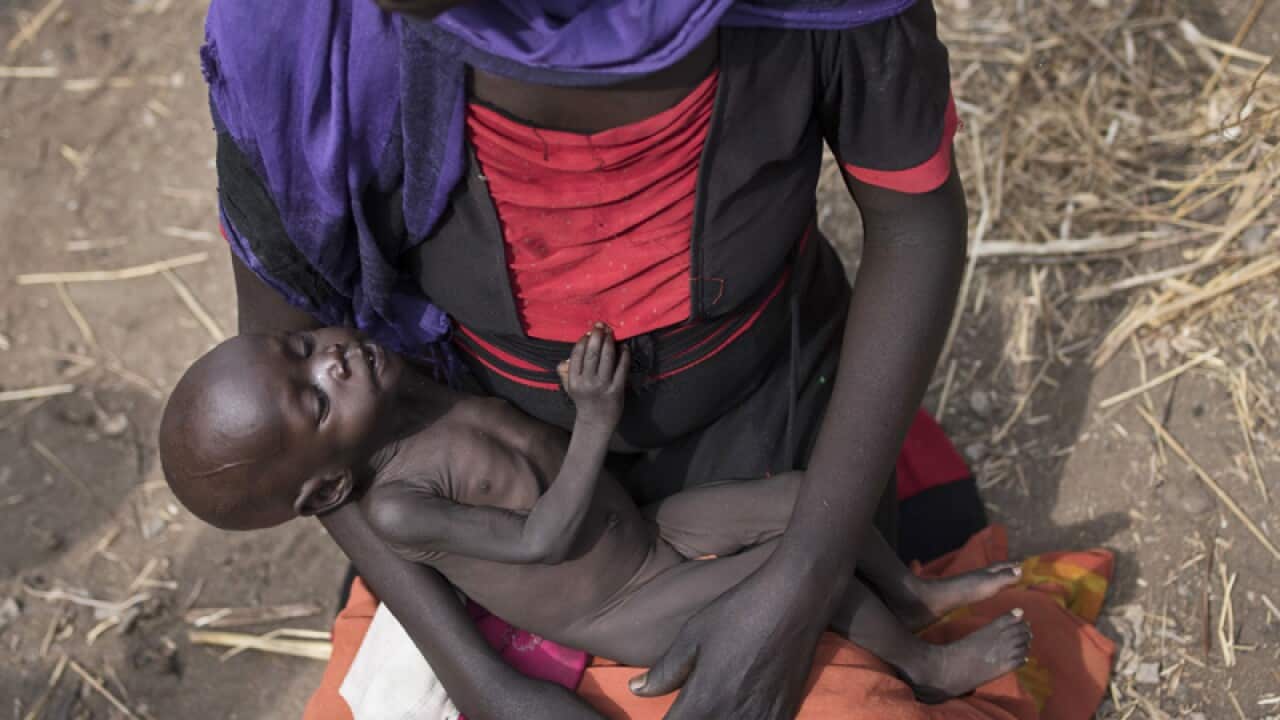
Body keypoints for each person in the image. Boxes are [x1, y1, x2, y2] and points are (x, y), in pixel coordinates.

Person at [203, 0, 969, 716]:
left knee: (854, 690)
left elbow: (914, 226)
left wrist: (806, 575)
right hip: (501, 538)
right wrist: (483, 683)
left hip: (773, 427)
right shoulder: (301, 31)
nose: (325, 365)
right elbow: (291, 422)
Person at [160, 324, 1030, 701]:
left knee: (810, 499)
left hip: (648, 531)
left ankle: (912, 598)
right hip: (623, 605)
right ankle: (924, 667)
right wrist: (597, 418)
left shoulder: (403, 397)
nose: (334, 361)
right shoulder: (395, 510)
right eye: (314, 401)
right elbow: (543, 536)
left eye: (303, 349)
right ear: (324, 493)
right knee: (800, 567)